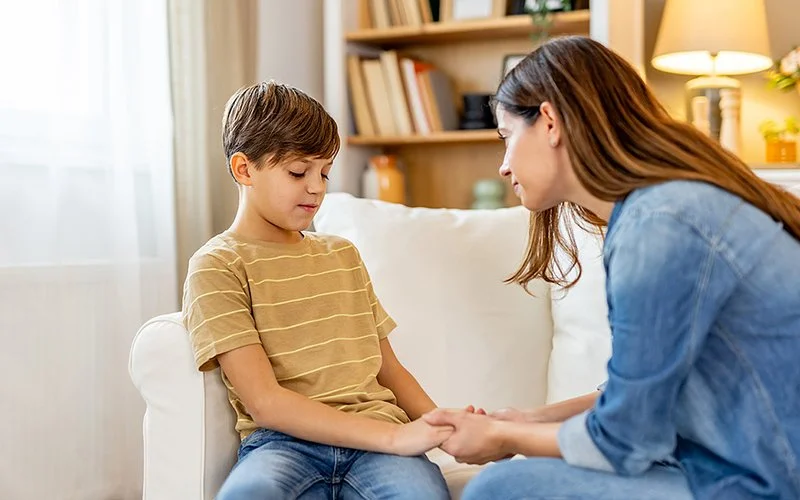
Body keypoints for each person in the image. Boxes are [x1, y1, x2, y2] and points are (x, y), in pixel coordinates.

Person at [423, 35, 800, 500]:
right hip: (730, 461)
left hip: (767, 481)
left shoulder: (662, 224)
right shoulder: (661, 210)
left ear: (549, 122)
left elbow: (627, 438)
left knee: (502, 489)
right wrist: (525, 420)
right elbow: (637, 395)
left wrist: (505, 438)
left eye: (506, 136)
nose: (503, 166)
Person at [182, 81, 452, 499]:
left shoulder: (342, 255)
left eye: (324, 172)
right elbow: (265, 403)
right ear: (244, 169)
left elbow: (390, 369)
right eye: (297, 172)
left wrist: (443, 426)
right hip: (282, 445)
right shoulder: (218, 265)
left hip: (378, 440)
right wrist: (398, 439)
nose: (317, 187)